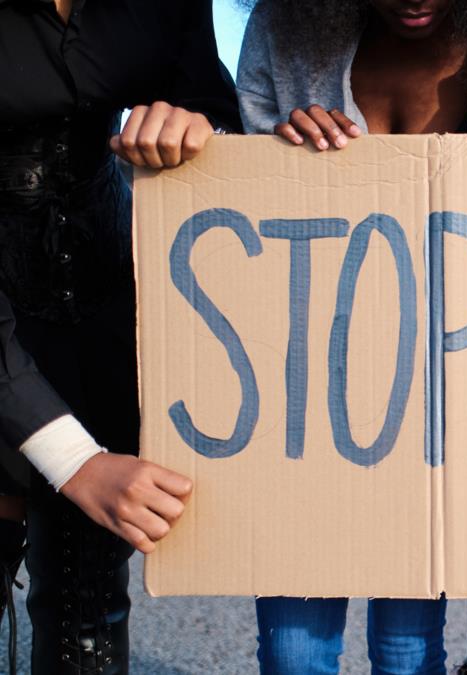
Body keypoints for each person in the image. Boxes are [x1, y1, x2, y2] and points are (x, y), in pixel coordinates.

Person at [235, 0, 467, 672]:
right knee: (293, 649)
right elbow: (236, 197)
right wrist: (273, 148)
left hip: (443, 383)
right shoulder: (285, 29)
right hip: (308, 379)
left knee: (408, 646)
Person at [0, 0, 240, 672]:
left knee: (86, 612)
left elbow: (213, 103)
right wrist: (72, 459)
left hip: (104, 313)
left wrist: (200, 127)